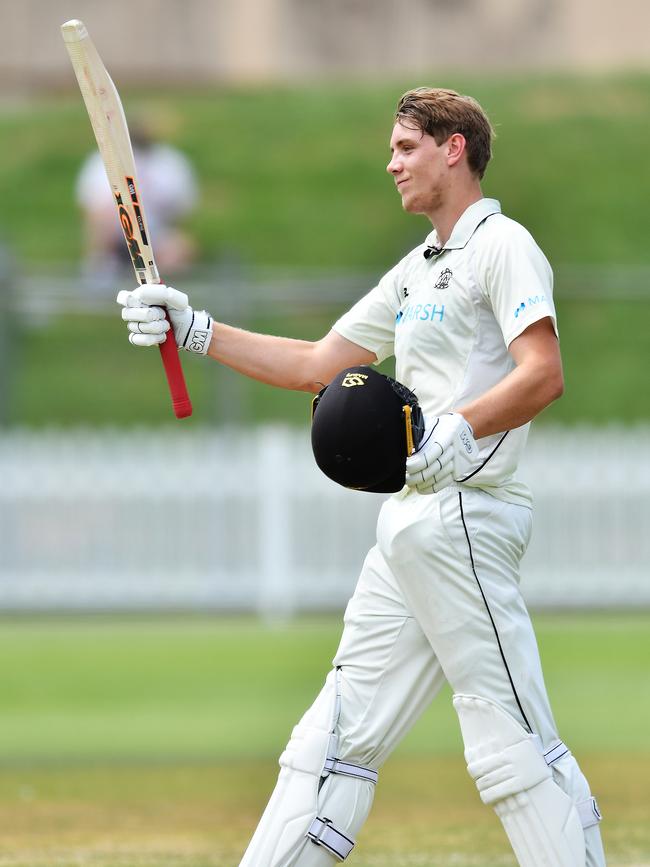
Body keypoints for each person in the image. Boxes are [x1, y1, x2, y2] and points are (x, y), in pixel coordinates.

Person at [116, 88, 606, 867]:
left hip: (471, 518)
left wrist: (460, 427)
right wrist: (195, 328)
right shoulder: (416, 270)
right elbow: (317, 364)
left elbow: (543, 374)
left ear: (454, 149)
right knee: (330, 742)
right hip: (409, 529)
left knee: (510, 747)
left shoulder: (502, 244)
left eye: (405, 146)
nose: (390, 162)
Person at [77, 125, 198, 290]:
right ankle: (104, 272)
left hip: (154, 232)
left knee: (179, 246)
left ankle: (156, 290)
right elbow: (91, 205)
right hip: (117, 230)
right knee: (102, 222)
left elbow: (182, 208)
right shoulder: (102, 160)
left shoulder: (170, 162)